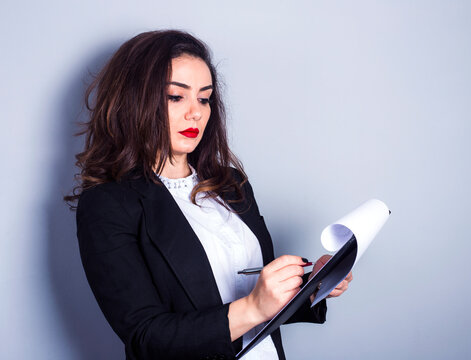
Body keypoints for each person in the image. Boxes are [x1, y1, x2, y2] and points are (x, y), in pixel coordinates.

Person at [65, 30, 353, 360]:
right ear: (133, 101)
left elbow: (256, 292)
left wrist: (311, 286)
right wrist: (253, 307)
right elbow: (146, 337)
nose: (196, 112)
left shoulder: (230, 183)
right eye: (176, 97)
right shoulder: (108, 204)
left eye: (204, 98)